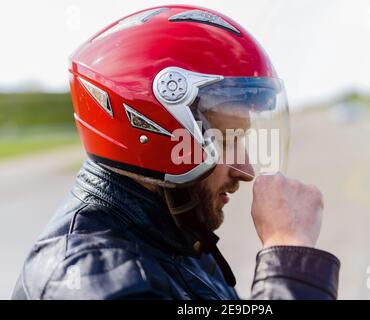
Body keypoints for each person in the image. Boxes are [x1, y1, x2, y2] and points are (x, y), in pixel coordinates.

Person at [12, 5, 340, 300]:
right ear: (152, 129)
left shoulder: (177, 234)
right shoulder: (91, 278)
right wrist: (289, 256)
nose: (246, 169)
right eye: (226, 139)